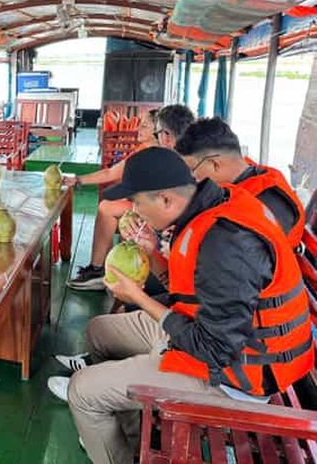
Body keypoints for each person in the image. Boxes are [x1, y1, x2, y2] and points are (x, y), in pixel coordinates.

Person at [48, 148, 313, 464]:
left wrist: (139, 299)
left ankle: (113, 434)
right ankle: (132, 441)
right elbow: (190, 294)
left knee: (82, 391)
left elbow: (213, 349)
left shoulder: (225, 243)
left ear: (165, 199)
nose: (134, 211)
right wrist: (153, 253)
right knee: (98, 332)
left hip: (233, 378)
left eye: (137, 203)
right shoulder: (206, 209)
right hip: (207, 337)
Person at [175, 117, 305, 249]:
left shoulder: (269, 203)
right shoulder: (239, 182)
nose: (192, 178)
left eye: (192, 170)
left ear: (215, 164)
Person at [65, 109, 158, 290]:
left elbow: (111, 173)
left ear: (158, 132)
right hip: (146, 202)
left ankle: (97, 269)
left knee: (106, 208)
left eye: (145, 126)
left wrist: (78, 180)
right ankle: (100, 268)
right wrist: (79, 180)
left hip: (153, 207)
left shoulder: (149, 152)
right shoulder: (145, 149)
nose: (138, 128)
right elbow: (113, 173)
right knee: (108, 205)